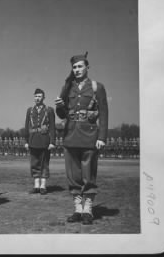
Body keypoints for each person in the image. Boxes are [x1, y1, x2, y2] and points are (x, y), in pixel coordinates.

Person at [55, 52, 108, 225]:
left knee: (88, 174)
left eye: (80, 66)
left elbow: (104, 113)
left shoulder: (96, 87)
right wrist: (60, 107)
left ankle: (88, 210)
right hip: (70, 136)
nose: (77, 70)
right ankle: (78, 209)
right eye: (74, 67)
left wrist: (102, 137)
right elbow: (62, 114)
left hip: (89, 136)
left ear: (87, 67)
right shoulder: (67, 87)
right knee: (73, 175)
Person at [24, 88, 56, 195]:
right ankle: (36, 186)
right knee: (34, 163)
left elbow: (52, 127)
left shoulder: (49, 110)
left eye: (39, 96)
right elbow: (26, 126)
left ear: (43, 98)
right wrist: (26, 141)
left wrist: (52, 142)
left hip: (44, 140)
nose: (37, 98)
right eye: (36, 96)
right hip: (33, 140)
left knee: (44, 164)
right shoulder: (30, 110)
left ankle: (43, 186)